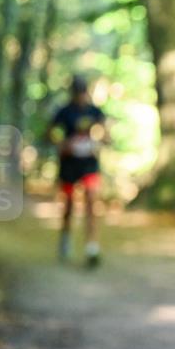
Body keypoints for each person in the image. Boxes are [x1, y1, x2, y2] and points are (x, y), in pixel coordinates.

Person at [47, 75, 108, 268]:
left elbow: (106, 133)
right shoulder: (64, 112)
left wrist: (100, 141)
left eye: (83, 92)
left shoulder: (94, 111)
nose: (81, 96)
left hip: (89, 162)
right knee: (69, 205)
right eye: (78, 93)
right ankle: (65, 239)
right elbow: (49, 132)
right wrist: (62, 144)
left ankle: (92, 247)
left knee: (91, 201)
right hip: (69, 164)